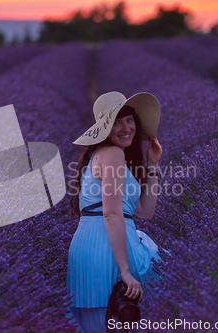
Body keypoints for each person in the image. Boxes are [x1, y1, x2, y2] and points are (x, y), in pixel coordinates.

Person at [67, 91, 163, 333]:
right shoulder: (112, 154)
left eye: (129, 120)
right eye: (116, 122)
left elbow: (144, 211)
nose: (125, 128)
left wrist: (152, 166)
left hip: (93, 244)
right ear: (105, 129)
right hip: (108, 248)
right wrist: (125, 271)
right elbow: (110, 213)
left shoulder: (102, 157)